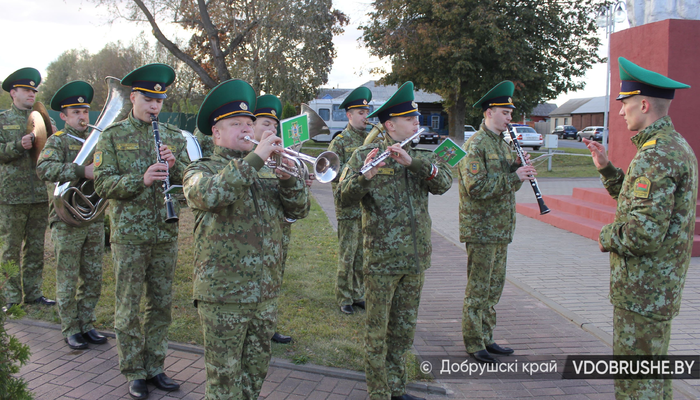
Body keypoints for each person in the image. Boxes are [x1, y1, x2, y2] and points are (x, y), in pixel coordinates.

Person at [183, 79, 309, 399]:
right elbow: (209, 195)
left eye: (249, 123)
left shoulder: (266, 171)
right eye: (235, 123)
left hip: (263, 294)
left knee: (255, 373)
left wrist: (290, 179)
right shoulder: (201, 168)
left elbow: (300, 209)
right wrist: (256, 159)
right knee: (224, 379)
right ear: (216, 133)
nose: (245, 129)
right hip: (223, 295)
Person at [583, 57, 696, 399]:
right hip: (657, 289)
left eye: (626, 103)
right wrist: (606, 169)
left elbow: (643, 233)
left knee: (636, 385)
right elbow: (640, 205)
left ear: (644, 104)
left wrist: (605, 235)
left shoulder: (655, 156)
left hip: (642, 291)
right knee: (654, 377)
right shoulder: (673, 146)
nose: (620, 112)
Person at [340, 82, 452, 400]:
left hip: (414, 259)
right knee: (378, 331)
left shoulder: (419, 155)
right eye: (410, 119)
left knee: (403, 330)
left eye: (416, 118)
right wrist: (366, 176)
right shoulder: (365, 154)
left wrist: (412, 163)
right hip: (381, 261)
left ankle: (397, 388)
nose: (418, 123)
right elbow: (344, 197)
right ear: (390, 125)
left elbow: (444, 182)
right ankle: (378, 392)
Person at [94, 63, 190, 400]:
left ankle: (155, 366)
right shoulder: (112, 136)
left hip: (164, 233)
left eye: (159, 101)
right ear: (133, 97)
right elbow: (102, 182)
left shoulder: (175, 138)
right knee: (128, 304)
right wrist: (141, 179)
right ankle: (133, 370)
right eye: (148, 99)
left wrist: (176, 170)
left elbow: (191, 188)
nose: (154, 106)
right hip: (129, 235)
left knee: (161, 304)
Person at [458, 81, 537, 364]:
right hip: (481, 229)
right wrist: (513, 176)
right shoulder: (475, 144)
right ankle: (473, 341)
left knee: (493, 287)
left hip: (501, 227)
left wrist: (518, 169)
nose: (509, 118)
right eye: (505, 112)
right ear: (489, 112)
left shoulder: (502, 144)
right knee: (478, 287)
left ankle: (487, 337)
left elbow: (507, 187)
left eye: (510, 113)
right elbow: (475, 187)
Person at [36, 81, 106, 350]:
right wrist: (80, 171)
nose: (82, 117)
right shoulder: (58, 140)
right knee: (67, 275)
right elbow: (45, 168)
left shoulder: (98, 140)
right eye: (75, 112)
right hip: (66, 219)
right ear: (63, 116)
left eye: (85, 111)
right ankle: (69, 328)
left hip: (93, 217)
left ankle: (87, 323)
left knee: (93, 275)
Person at [0, 67, 56, 312]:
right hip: (11, 196)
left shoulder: (44, 119)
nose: (31, 94)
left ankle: (34, 294)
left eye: (34, 90)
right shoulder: (2, 120)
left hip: (38, 194)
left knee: (35, 247)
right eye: (26, 90)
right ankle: (11, 297)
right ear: (13, 93)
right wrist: (16, 145)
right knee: (10, 248)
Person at [252, 94, 301, 345]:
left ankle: (269, 326)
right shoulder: (244, 159)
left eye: (274, 125)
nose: (271, 130)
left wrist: (295, 181)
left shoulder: (279, 157)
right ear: (251, 126)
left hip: (279, 231)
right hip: (250, 238)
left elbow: (299, 205)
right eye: (264, 125)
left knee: (274, 280)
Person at [328, 86, 370, 315]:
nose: (365, 117)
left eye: (366, 112)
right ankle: (344, 296)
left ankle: (357, 293)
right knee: (348, 252)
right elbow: (332, 171)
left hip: (366, 205)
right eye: (360, 113)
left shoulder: (370, 139)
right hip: (347, 205)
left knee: (362, 253)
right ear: (349, 115)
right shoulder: (341, 141)